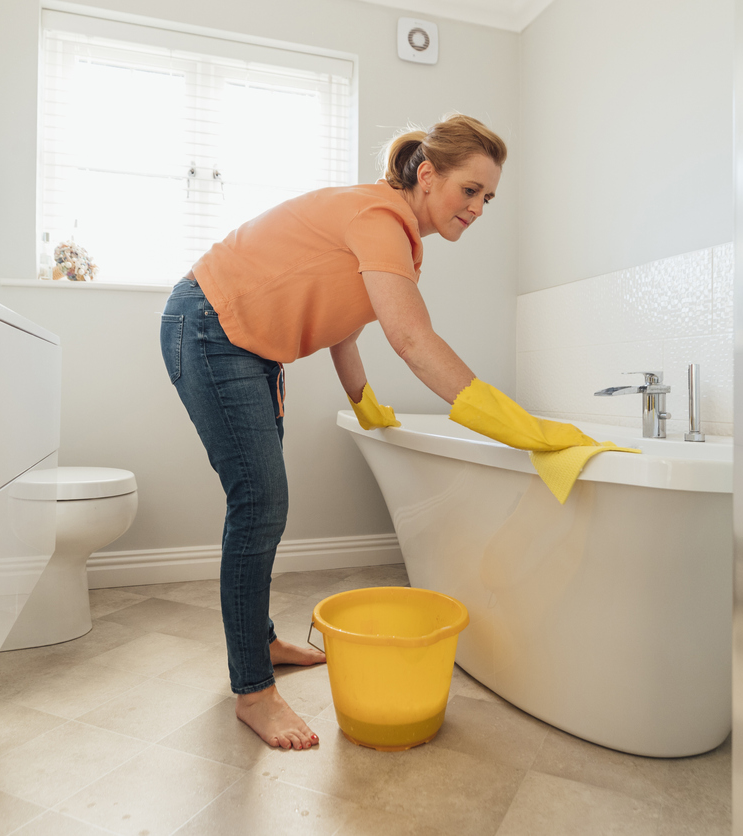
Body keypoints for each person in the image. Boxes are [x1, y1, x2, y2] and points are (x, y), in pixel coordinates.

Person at [160, 114, 596, 750]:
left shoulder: (395, 238)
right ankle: (253, 691)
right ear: (427, 174)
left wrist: (365, 404)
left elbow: (344, 328)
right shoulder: (379, 217)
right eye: (469, 190)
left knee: (262, 503)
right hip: (209, 325)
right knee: (260, 504)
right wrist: (519, 427)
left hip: (246, 345)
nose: (478, 209)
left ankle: (261, 643)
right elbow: (414, 341)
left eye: (488, 197)